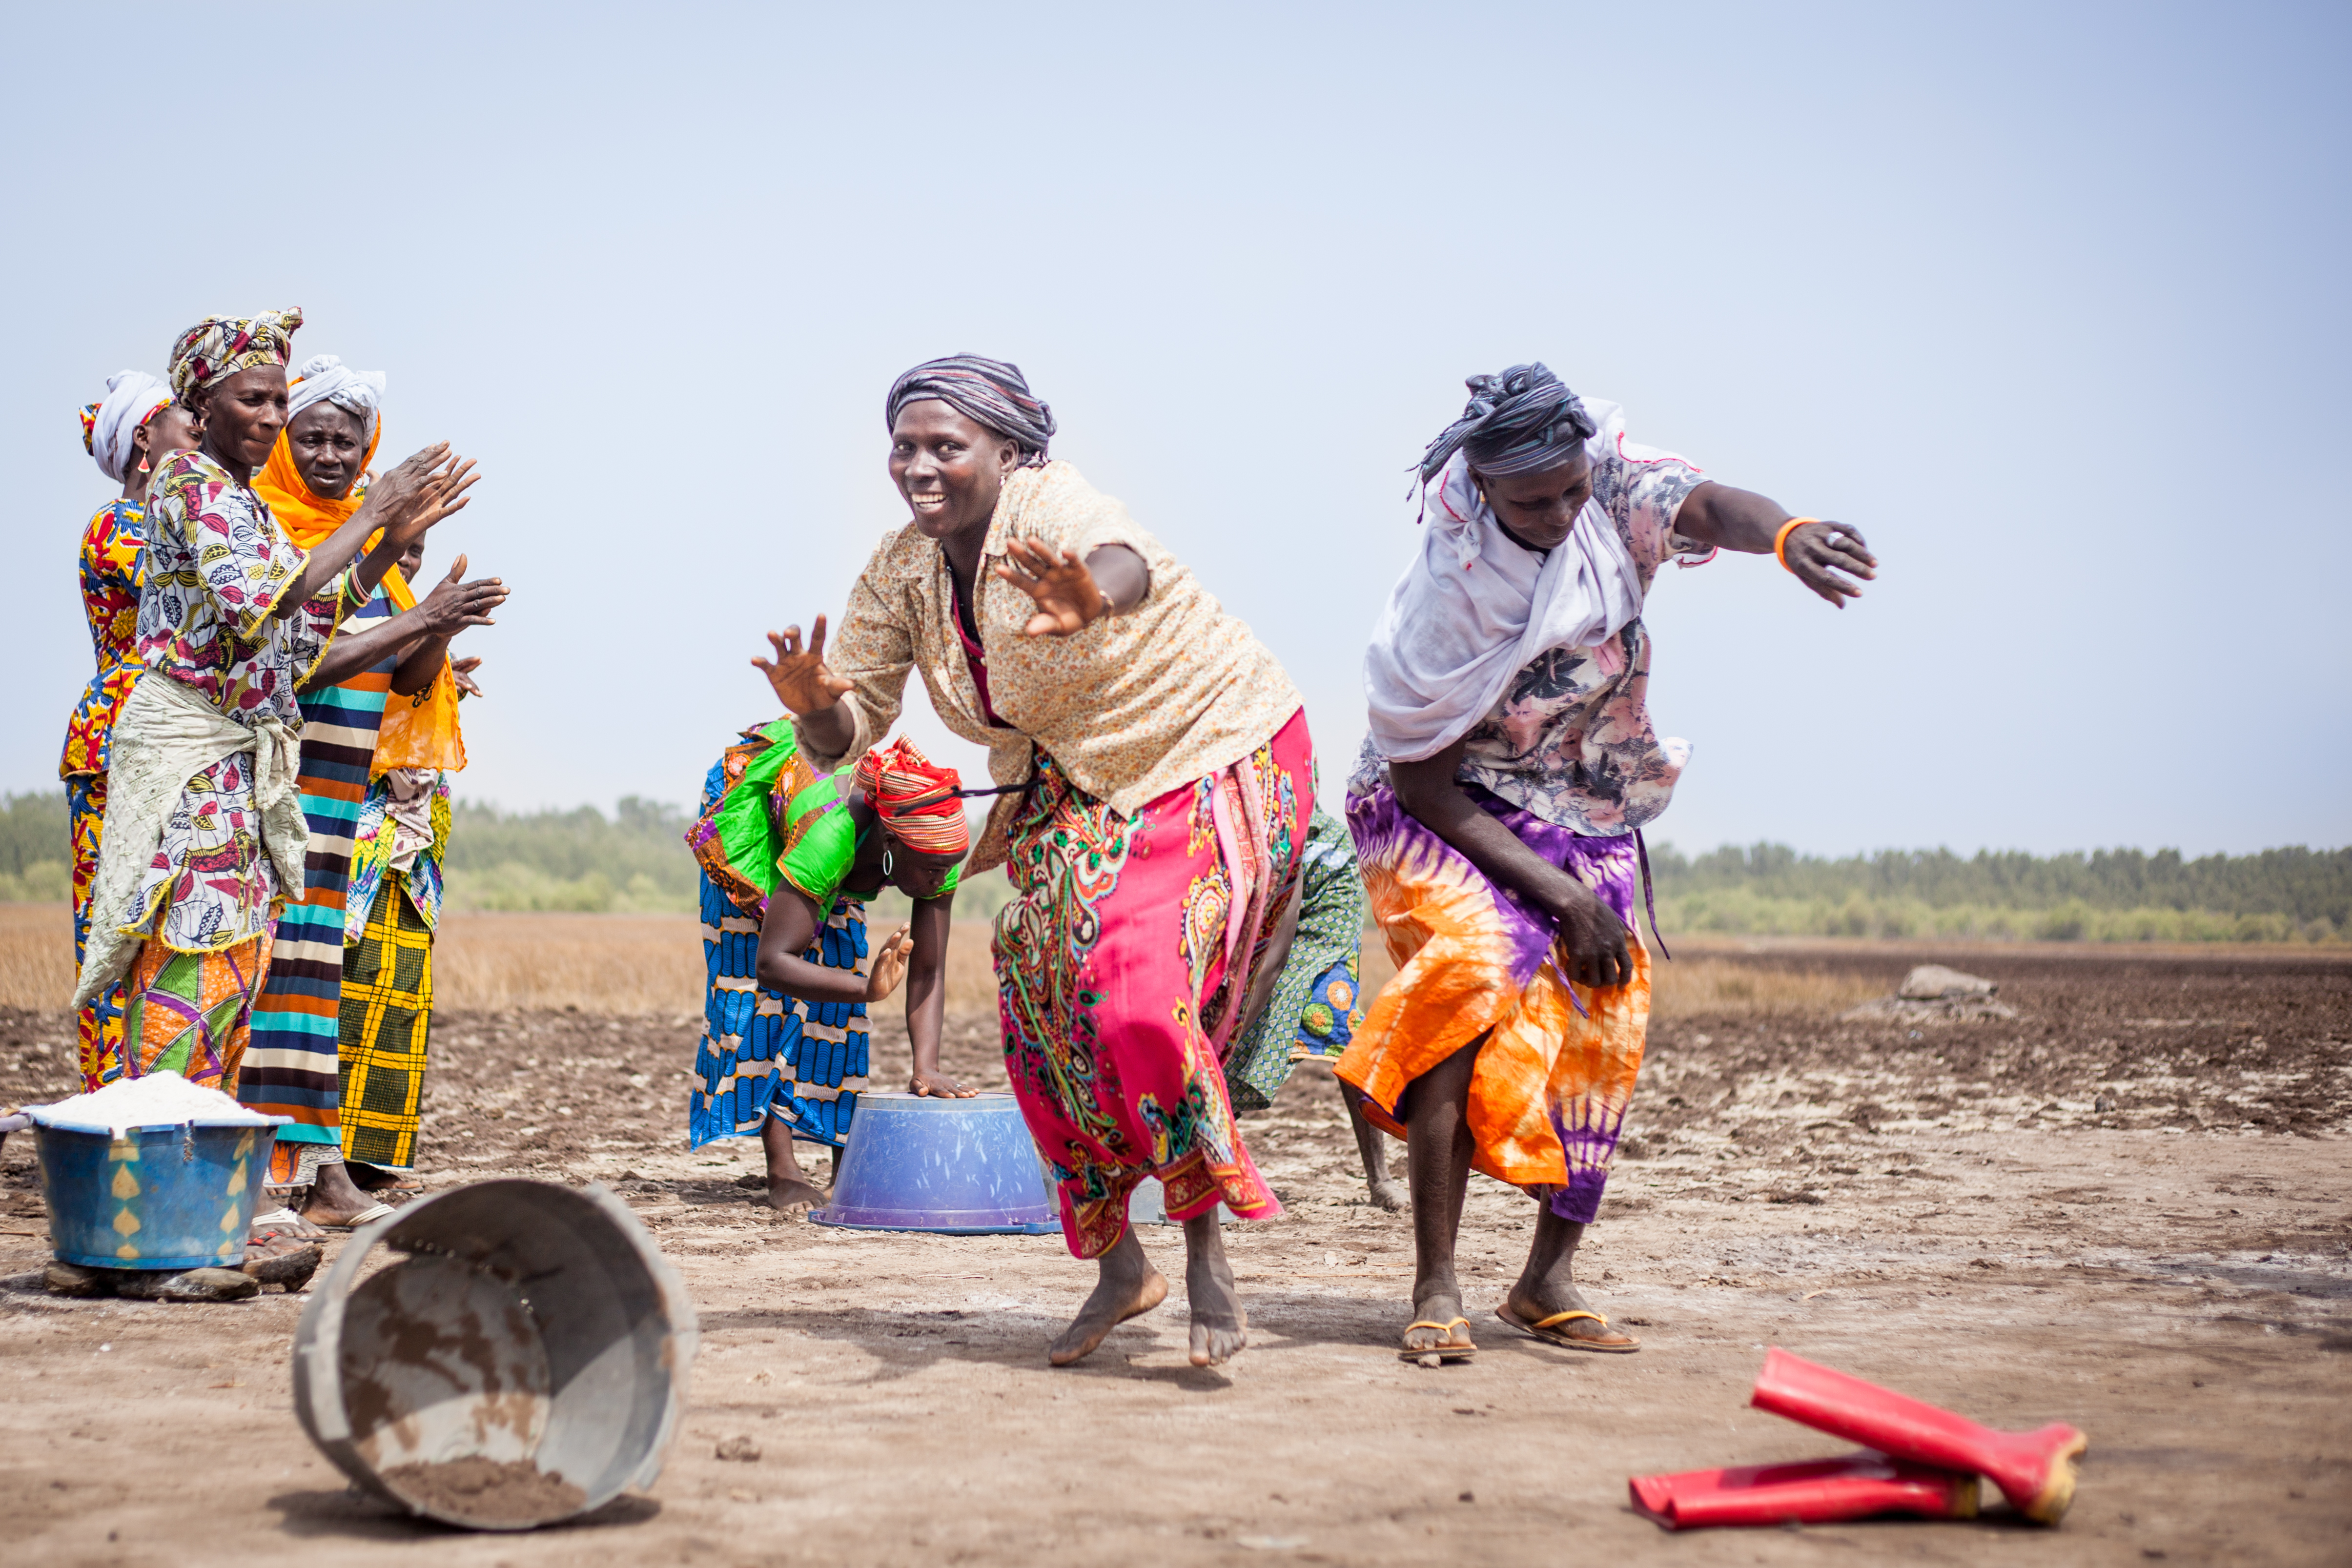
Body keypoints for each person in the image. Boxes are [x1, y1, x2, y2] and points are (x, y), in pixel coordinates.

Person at [760, 354, 1311, 1368]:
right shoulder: (900, 573)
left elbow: (1125, 560)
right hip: (1069, 778)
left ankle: (1205, 1254)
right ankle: (1117, 1264)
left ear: (1006, 451)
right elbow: (851, 729)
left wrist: (1088, 596)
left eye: (945, 446)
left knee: (1140, 995)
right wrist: (815, 710)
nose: (918, 467)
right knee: (1042, 999)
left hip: (1202, 746)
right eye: (904, 447)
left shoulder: (1050, 502)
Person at [1338, 364, 1878, 1362]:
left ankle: (1545, 1276)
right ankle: (1436, 1283)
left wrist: (1787, 535)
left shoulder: (1609, 485)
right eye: (1531, 500)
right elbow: (1424, 785)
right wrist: (1560, 899)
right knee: (1471, 965)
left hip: (1582, 789)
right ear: (1485, 488)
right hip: (1440, 800)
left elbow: (1708, 505)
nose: (1558, 513)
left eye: (1571, 490)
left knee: (1606, 1008)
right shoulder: (1449, 599)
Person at [67, 309, 469, 1122]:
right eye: (255, 399)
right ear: (203, 401)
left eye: (278, 401)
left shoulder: (240, 502)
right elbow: (267, 601)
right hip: (194, 771)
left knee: (237, 977)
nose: (274, 419)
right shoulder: (190, 487)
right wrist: (371, 512)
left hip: (239, 773)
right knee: (191, 969)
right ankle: (155, 1178)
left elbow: (304, 631)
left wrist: (392, 549)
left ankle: (210, 1187)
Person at [241, 355, 501, 1225]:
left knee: (313, 990)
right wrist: (414, 603)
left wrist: (437, 614)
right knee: (269, 981)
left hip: (340, 793)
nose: (328, 454)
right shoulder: (274, 534)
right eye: (309, 435)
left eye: (345, 441)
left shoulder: (366, 546)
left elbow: (396, 675)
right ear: (278, 440)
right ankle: (266, 1173)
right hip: (276, 787)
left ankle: (317, 1172)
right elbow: (297, 659)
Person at [686, 727, 975, 1214]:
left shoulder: (932, 846)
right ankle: (783, 1168)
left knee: (839, 979)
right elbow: (773, 964)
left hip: (843, 843)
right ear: (890, 842)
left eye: (948, 868)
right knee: (755, 995)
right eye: (930, 870)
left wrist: (925, 1066)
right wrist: (868, 989)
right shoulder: (833, 838)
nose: (938, 880)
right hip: (756, 804)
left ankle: (847, 1162)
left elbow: (927, 971)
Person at [335, 535, 492, 1193]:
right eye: (393, 542)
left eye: (417, 547)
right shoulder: (341, 608)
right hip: (354, 829)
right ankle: (327, 1153)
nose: (407, 557)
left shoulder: (411, 611)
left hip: (409, 843)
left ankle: (371, 1154)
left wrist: (441, 677)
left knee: (399, 991)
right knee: (347, 985)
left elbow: (404, 705)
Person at [63, 371, 201, 1091]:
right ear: (144, 438)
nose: (201, 430)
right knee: (113, 933)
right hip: (115, 744)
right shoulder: (119, 528)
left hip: (168, 743)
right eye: (186, 419)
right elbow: (198, 592)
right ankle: (111, 1104)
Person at [1220, 805, 1403, 1209]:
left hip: (1325, 927)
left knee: (1320, 1025)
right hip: (1277, 920)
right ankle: (1204, 1160)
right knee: (1238, 1035)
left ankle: (1380, 1178)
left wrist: (1232, 1029)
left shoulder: (1286, 830)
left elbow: (1277, 954)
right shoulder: (1235, 826)